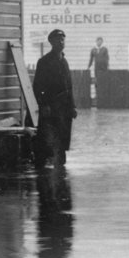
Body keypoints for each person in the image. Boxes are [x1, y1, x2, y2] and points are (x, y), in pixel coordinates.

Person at [33, 29, 77, 167]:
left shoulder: (64, 62)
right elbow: (37, 87)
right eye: (58, 39)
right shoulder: (44, 62)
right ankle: (44, 171)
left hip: (64, 108)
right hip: (51, 106)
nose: (61, 42)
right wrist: (43, 105)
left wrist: (73, 106)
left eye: (63, 39)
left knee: (63, 139)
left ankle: (60, 168)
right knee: (49, 138)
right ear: (51, 42)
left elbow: (69, 87)